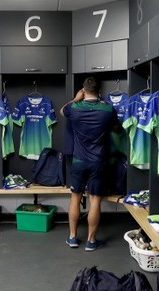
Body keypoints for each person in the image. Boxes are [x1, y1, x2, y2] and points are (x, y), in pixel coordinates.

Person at [60, 77, 118, 251]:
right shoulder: (107, 109)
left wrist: (76, 99)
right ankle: (91, 241)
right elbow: (115, 127)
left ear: (83, 90)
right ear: (99, 91)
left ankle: (72, 237)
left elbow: (63, 111)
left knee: (75, 198)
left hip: (78, 161)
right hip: (98, 161)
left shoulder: (75, 108)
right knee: (94, 201)